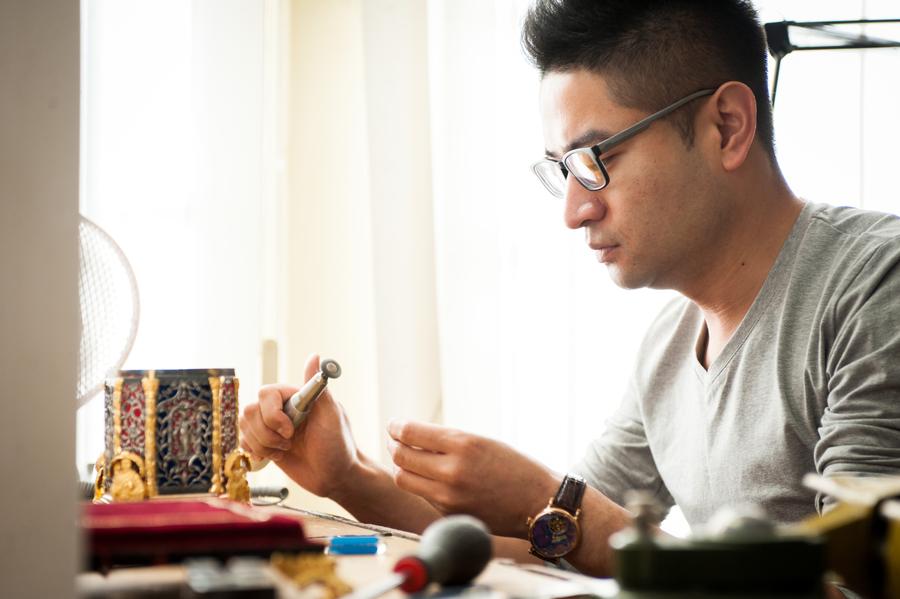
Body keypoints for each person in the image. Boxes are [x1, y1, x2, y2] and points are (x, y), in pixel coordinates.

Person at [240, 0, 900, 579]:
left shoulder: (876, 284)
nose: (574, 209)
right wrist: (347, 478)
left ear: (726, 125)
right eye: (563, 171)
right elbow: (553, 544)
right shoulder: (669, 345)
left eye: (595, 160)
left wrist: (558, 501)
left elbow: (854, 586)